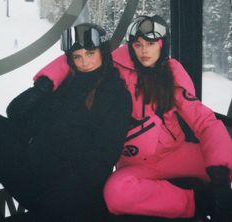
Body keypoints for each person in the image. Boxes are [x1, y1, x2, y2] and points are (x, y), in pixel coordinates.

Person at [33, 15, 232, 222]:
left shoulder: (171, 72)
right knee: (115, 194)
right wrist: (45, 82)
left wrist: (220, 175)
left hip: (176, 153)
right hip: (136, 163)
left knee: (225, 166)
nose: (144, 50)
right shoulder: (117, 63)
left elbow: (205, 122)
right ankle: (195, 201)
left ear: (162, 46)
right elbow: (80, 53)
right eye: (138, 44)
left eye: (151, 44)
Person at [0, 23, 132, 222]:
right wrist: (42, 87)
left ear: (102, 52)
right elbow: (17, 116)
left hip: (75, 195)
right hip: (39, 178)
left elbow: (104, 156)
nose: (85, 62)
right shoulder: (67, 86)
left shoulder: (117, 95)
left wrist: (62, 195)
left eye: (90, 53)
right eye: (77, 56)